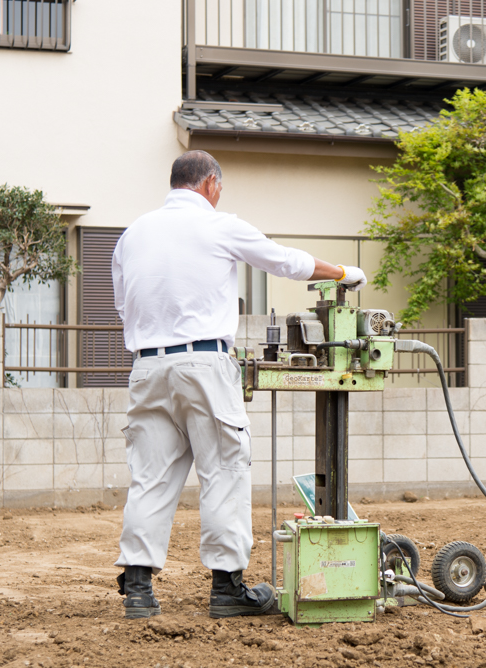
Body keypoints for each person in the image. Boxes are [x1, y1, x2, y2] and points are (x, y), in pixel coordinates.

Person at [111, 150, 366, 620]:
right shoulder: (218, 224)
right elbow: (285, 261)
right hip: (205, 363)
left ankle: (140, 590)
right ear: (210, 183)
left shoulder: (132, 235)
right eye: (219, 189)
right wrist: (344, 273)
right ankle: (227, 590)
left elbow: (125, 309)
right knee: (225, 471)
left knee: (150, 477)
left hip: (147, 367)